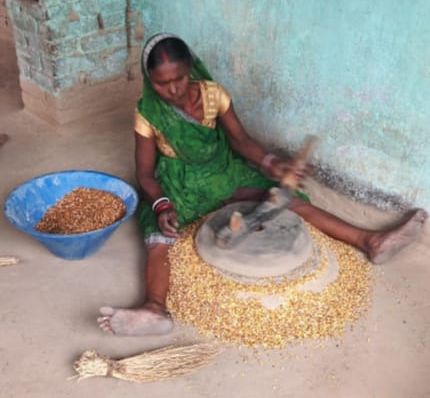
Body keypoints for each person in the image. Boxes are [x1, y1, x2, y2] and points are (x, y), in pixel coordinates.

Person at [98, 33, 428, 337]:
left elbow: (241, 141)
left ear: (191, 70)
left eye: (180, 78)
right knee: (158, 235)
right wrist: (162, 204)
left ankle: (370, 240)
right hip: (180, 184)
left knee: (282, 198)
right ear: (149, 80)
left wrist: (274, 164)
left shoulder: (213, 94)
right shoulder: (148, 113)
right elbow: (145, 174)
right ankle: (155, 307)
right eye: (162, 83)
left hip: (224, 172)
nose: (173, 90)